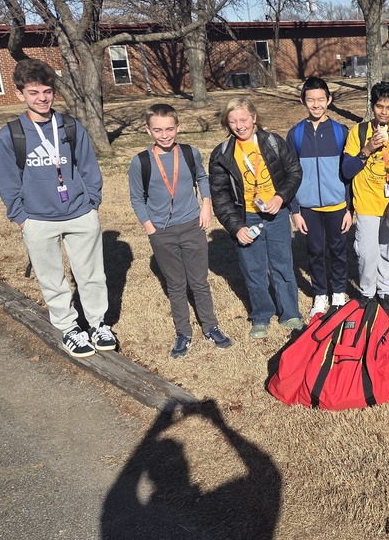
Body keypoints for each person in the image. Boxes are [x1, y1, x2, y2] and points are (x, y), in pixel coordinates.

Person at [0, 58, 117, 358]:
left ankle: (98, 324)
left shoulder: (70, 127)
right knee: (52, 279)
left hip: (80, 213)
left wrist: (92, 204)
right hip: (38, 219)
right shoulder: (11, 134)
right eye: (34, 92)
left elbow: (88, 167)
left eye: (47, 91)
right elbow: (8, 181)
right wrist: (22, 218)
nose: (42, 98)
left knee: (91, 274)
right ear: (20, 94)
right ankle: (69, 328)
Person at [129, 103, 232, 358]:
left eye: (169, 129)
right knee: (176, 285)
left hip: (192, 226)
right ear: (148, 130)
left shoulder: (189, 153)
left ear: (178, 127)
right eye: (158, 130)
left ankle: (210, 326)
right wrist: (150, 227)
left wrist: (206, 205)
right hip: (161, 232)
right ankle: (183, 332)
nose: (164, 135)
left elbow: (202, 178)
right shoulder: (140, 161)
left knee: (199, 282)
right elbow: (137, 198)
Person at [209, 97, 302, 339]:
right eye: (233, 121)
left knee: (282, 265)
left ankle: (290, 313)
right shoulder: (221, 154)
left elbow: (294, 172)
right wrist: (236, 227)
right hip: (246, 218)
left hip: (276, 215)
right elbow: (220, 196)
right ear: (227, 123)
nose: (239, 126)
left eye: (243, 120)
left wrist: (281, 197)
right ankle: (261, 315)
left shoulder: (272, 142)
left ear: (254, 118)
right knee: (254, 269)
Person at [341, 81, 389, 315]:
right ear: (372, 107)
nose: (384, 112)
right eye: (379, 106)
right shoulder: (359, 132)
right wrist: (368, 148)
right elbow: (347, 170)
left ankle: (385, 292)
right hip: (367, 203)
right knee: (367, 253)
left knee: (388, 250)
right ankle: (367, 293)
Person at [287, 77, 351, 317]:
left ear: (329, 100)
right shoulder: (295, 134)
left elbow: (348, 173)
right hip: (308, 207)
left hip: (337, 205)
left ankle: (339, 293)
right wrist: (295, 210)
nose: (316, 104)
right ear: (303, 101)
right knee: (315, 252)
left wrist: (349, 208)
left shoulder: (340, 132)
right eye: (311, 99)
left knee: (338, 250)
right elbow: (290, 174)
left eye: (321, 99)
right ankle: (320, 294)